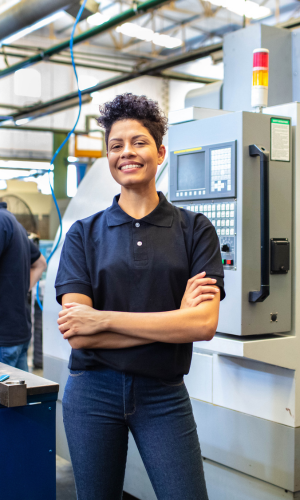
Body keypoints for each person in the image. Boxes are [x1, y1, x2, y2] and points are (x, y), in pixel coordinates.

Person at [55, 93, 225, 500]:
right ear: (108, 156)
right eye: (116, 145)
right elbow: (78, 333)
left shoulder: (194, 230)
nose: (126, 153)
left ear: (160, 151)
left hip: (163, 392)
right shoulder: (83, 234)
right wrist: (173, 322)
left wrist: (104, 319)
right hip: (92, 390)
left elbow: (203, 324)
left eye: (139, 142)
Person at [0, 201, 47, 371]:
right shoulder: (12, 222)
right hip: (18, 332)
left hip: (3, 336)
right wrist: (19, 290)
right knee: (18, 396)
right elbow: (40, 263)